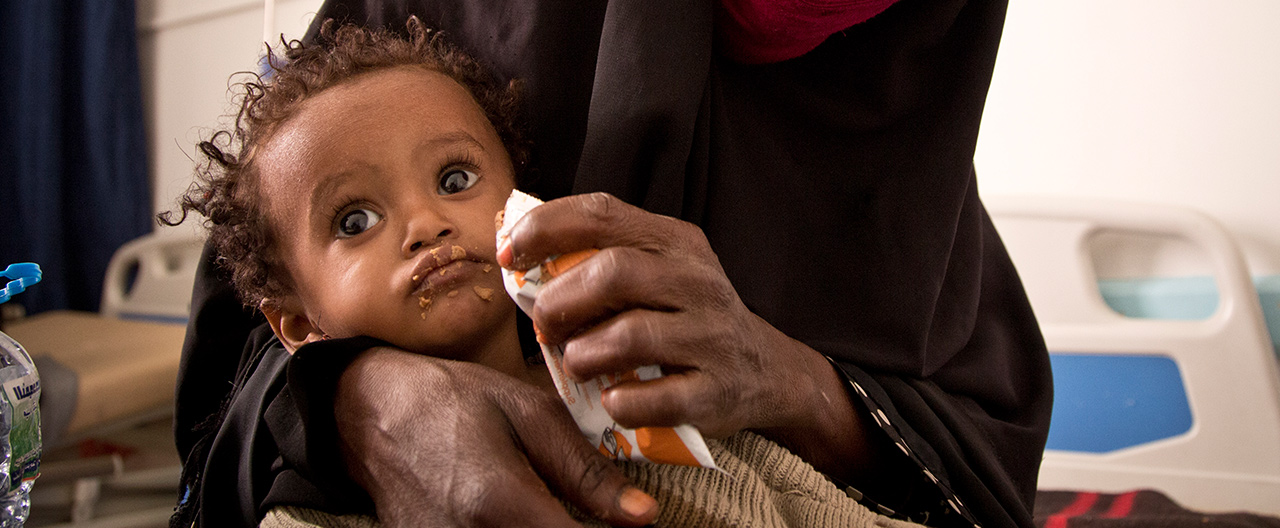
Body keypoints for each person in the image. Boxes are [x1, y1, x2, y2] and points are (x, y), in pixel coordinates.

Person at [172, 0, 1054, 527]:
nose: (426, 225)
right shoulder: (393, 68)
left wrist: (786, 382)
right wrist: (360, 401)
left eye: (454, 179)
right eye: (361, 218)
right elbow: (244, 361)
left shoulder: (911, 124)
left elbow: (971, 475)